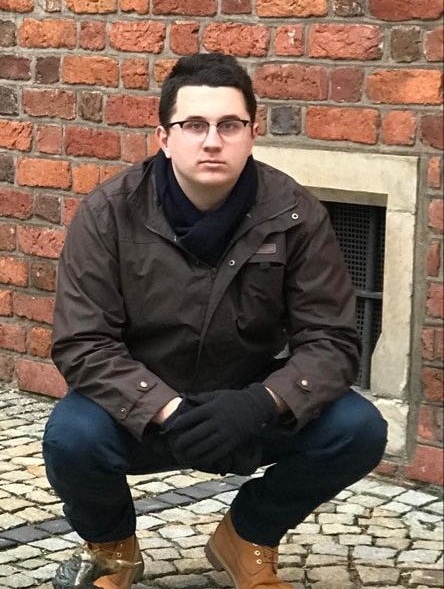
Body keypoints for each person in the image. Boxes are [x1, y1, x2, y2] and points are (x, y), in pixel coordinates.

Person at [43, 53, 388, 589]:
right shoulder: (109, 212)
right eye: (194, 125)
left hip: (246, 407)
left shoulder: (295, 214)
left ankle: (248, 535)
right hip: (142, 410)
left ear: (253, 131)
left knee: (358, 428)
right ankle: (113, 551)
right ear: (164, 136)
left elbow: (333, 340)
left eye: (229, 125)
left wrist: (260, 403)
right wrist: (167, 411)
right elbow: (83, 343)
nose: (212, 141)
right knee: (71, 436)